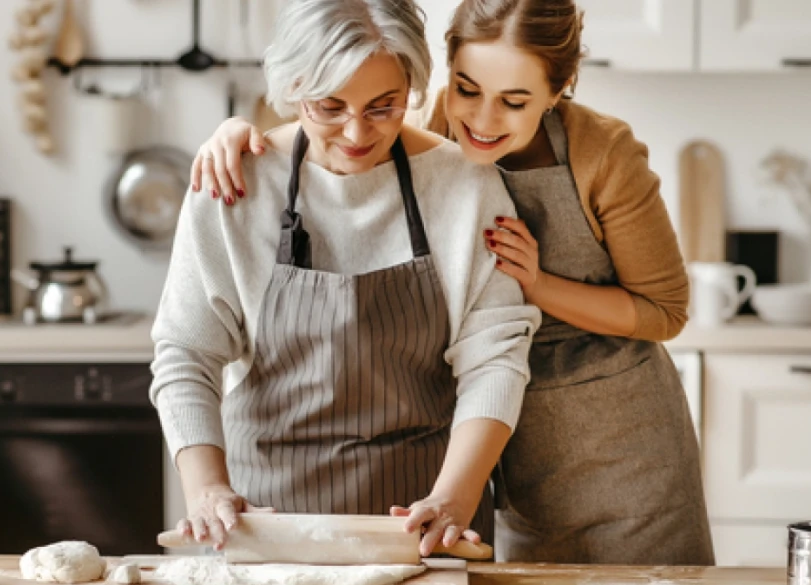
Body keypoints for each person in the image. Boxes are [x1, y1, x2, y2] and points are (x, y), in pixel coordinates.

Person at [185, 0, 714, 565]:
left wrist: (537, 285)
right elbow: (341, 117)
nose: (483, 121)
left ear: (558, 93)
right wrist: (239, 132)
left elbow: (665, 311)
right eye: (467, 89)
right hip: (505, 447)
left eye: (515, 101)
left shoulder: (600, 155)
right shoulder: (429, 135)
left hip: (616, 442)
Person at [149, 0, 539, 557]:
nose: (358, 133)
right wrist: (207, 487)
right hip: (266, 525)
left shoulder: (463, 185)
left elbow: (495, 356)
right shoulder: (236, 183)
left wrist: (454, 498)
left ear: (413, 87)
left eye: (385, 107)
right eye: (329, 107)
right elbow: (186, 351)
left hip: (425, 527)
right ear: (293, 88)